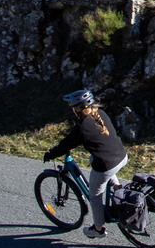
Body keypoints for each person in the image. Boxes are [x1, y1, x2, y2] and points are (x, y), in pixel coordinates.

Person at [44, 89, 129, 237]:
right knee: (93, 159)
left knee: (94, 195)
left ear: (76, 109)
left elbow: (65, 145)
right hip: (121, 156)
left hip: (107, 165)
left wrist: (50, 154)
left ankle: (98, 229)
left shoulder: (82, 128)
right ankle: (116, 185)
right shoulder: (100, 115)